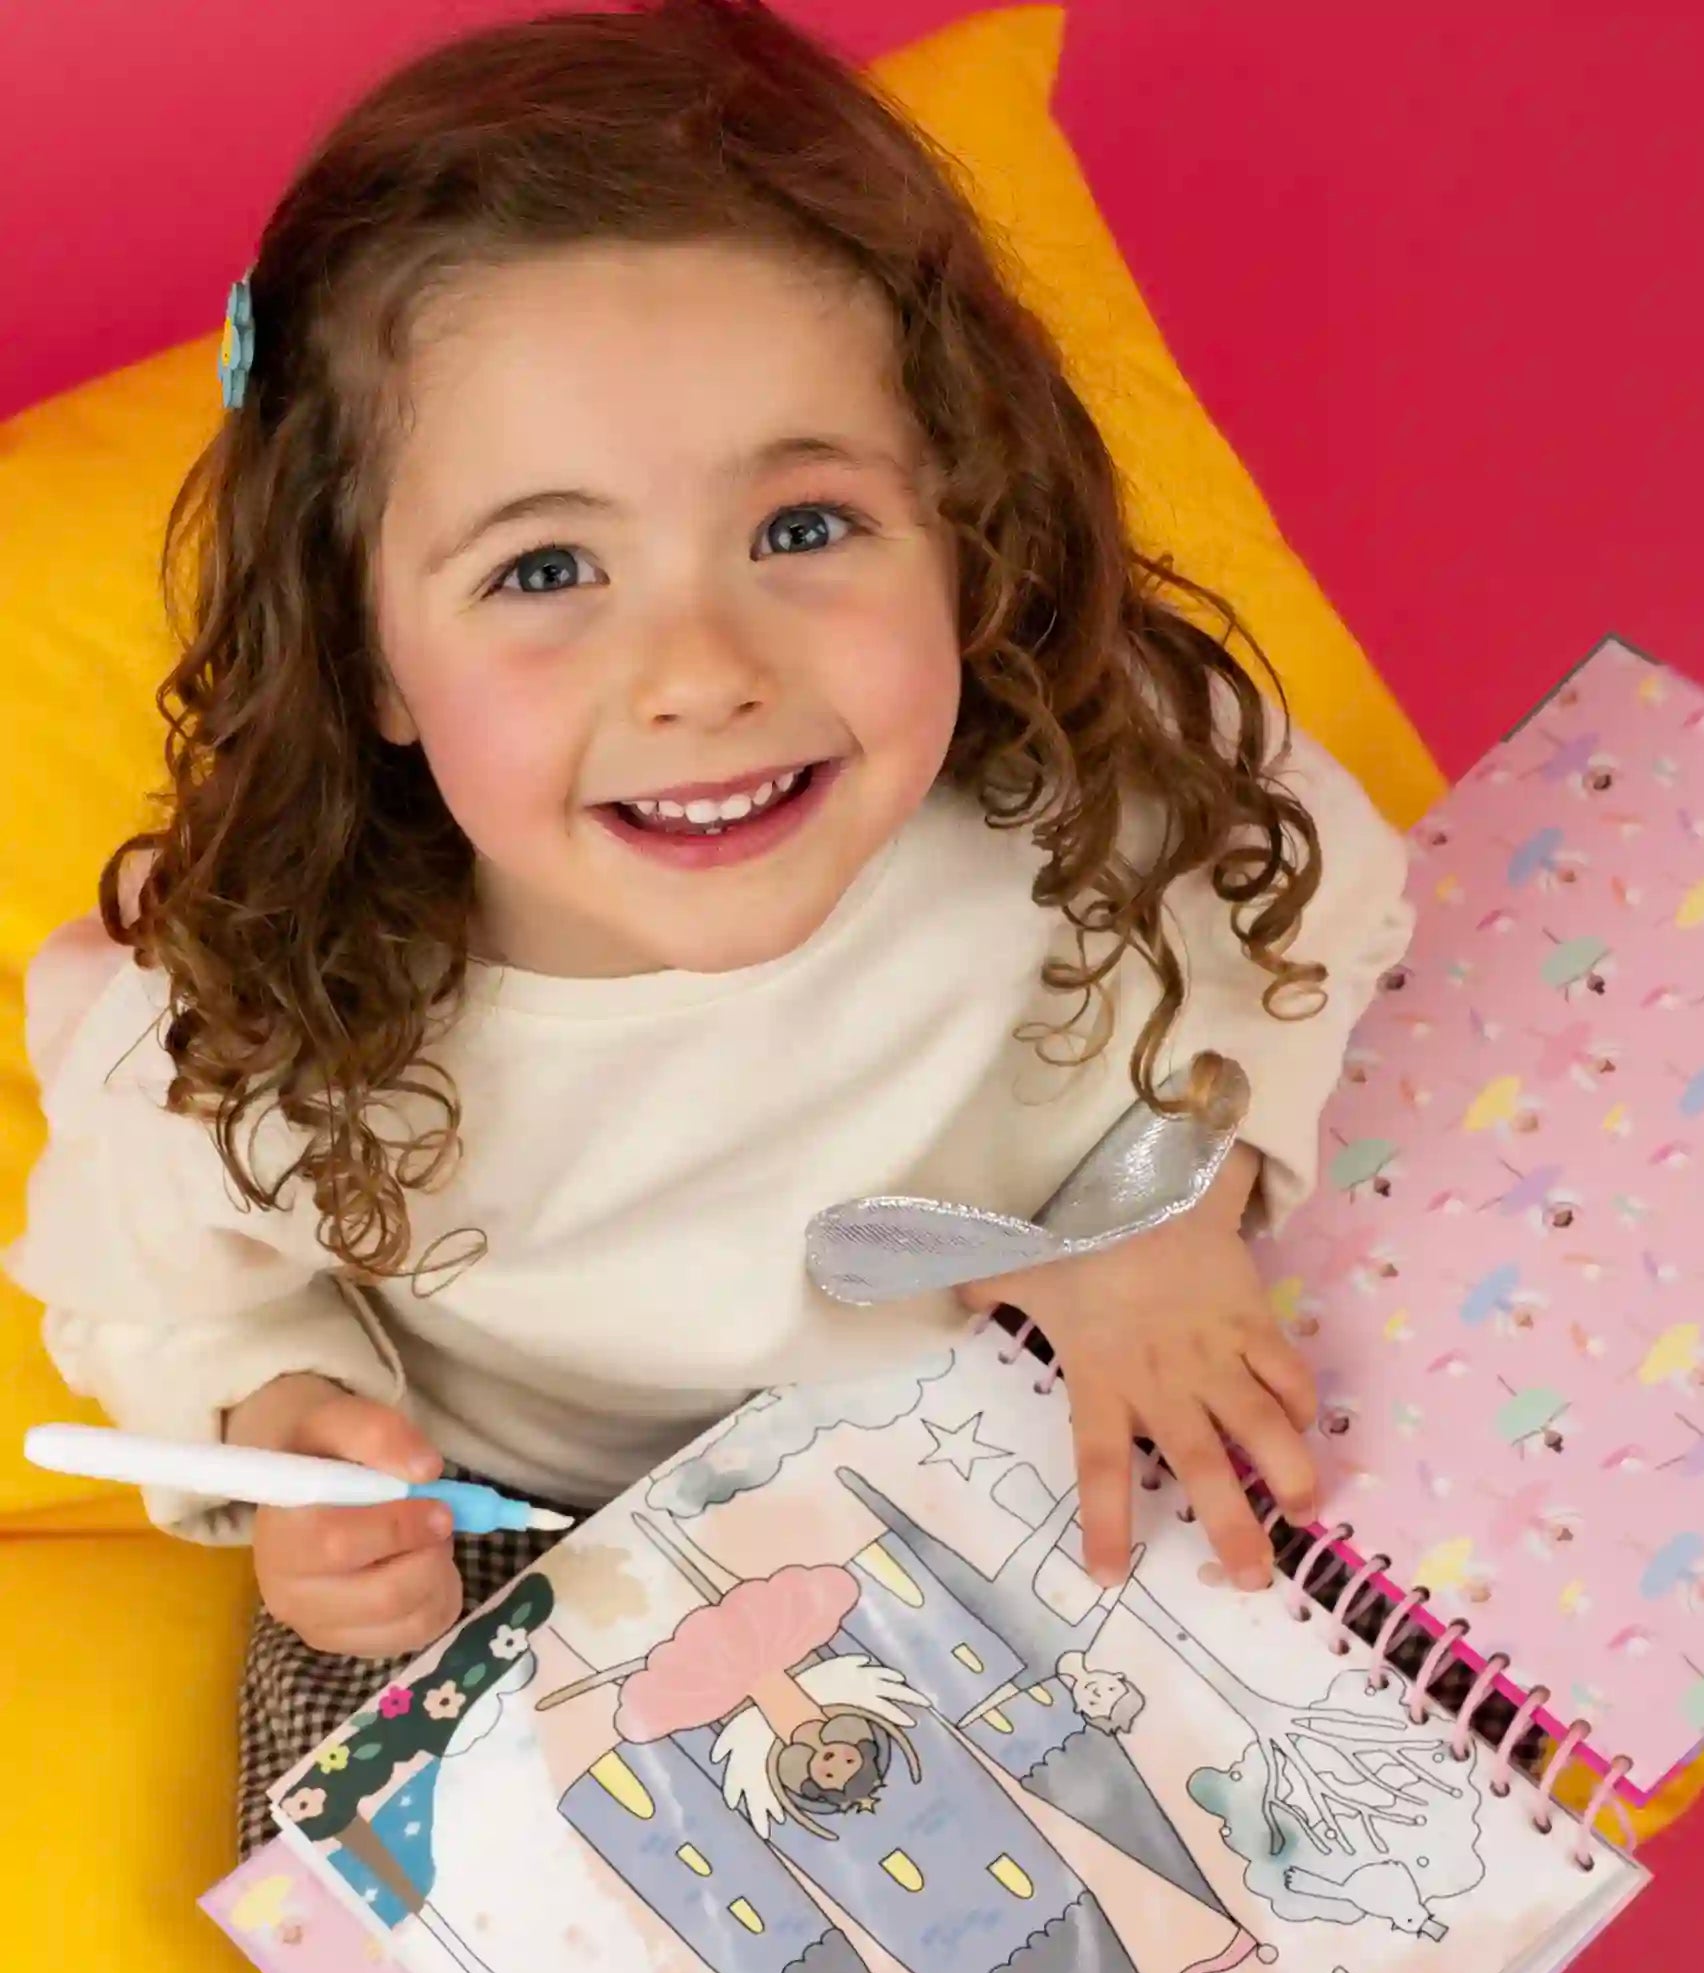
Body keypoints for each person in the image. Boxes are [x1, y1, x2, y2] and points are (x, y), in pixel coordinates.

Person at [2, 0, 1412, 1856]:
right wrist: (291, 1432)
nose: (700, 673)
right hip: (533, 1549)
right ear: (369, 663)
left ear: (964, 528)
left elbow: (1325, 886)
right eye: (547, 570)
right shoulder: (267, 1037)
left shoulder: (1077, 816)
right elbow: (152, 1280)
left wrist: (1176, 1216)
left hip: (1013, 1453)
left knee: (1311, 1772)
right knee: (391, 1845)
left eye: (807, 527)